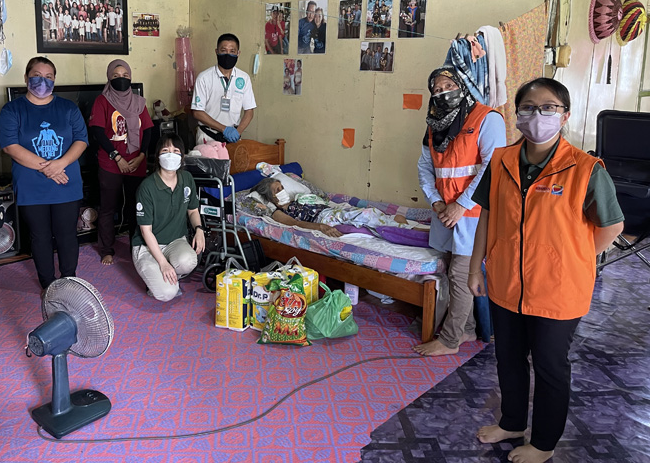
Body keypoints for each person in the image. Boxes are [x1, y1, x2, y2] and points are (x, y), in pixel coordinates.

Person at [468, 78, 624, 463]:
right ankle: (512, 422)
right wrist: (475, 267)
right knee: (508, 358)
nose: (538, 115)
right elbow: (486, 215)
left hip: (558, 289)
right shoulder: (502, 161)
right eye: (528, 107)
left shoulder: (585, 169)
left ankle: (543, 443)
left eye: (549, 107)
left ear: (564, 115)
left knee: (550, 366)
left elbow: (612, 226)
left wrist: (574, 259)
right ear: (517, 114)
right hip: (506, 281)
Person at [415, 67, 506, 357]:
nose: (443, 93)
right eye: (437, 89)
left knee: (460, 274)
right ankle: (467, 329)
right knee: (452, 268)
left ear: (463, 86)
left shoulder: (487, 118)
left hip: (474, 212)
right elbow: (425, 167)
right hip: (444, 211)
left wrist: (461, 205)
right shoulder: (434, 124)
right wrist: (436, 202)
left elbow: (492, 167)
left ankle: (450, 340)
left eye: (449, 86)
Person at [0, 57, 89, 292]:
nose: (43, 81)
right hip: (31, 186)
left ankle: (69, 280)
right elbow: (10, 146)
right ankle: (47, 284)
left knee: (67, 235)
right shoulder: (12, 110)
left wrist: (61, 164)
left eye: (49, 77)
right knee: (40, 236)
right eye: (37, 76)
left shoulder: (68, 108)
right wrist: (49, 168)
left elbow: (81, 140)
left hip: (66, 182)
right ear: (26, 78)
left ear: (55, 80)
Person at [89, 59, 153, 266]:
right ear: (109, 78)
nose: (121, 79)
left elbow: (148, 130)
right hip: (111, 163)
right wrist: (117, 157)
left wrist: (141, 156)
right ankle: (106, 249)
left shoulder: (139, 102)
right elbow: (98, 132)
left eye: (125, 76)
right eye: (116, 76)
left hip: (137, 162)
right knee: (108, 208)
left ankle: (137, 247)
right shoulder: (102, 101)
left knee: (137, 207)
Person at [132, 133, 205, 301]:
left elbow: (193, 210)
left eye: (176, 151)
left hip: (174, 241)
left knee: (189, 261)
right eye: (165, 151)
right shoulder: (147, 187)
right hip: (147, 246)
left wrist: (199, 229)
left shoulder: (186, 179)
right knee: (167, 293)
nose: (171, 155)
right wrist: (163, 264)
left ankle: (165, 273)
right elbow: (145, 231)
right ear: (158, 156)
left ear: (182, 156)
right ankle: (159, 273)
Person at [253, 177, 428, 238]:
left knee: (371, 211)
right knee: (366, 216)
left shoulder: (298, 200)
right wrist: (321, 227)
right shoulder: (278, 212)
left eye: (282, 187)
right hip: (323, 219)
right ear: (270, 197)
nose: (282, 191)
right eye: (277, 190)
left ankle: (400, 225)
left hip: (330, 211)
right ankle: (410, 231)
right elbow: (295, 224)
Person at [191, 33, 256, 145]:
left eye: (232, 51)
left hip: (233, 137)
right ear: (216, 52)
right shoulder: (204, 78)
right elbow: (197, 112)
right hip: (208, 135)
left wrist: (237, 132)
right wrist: (224, 129)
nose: (228, 55)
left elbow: (249, 110)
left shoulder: (244, 78)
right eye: (223, 50)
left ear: (238, 53)